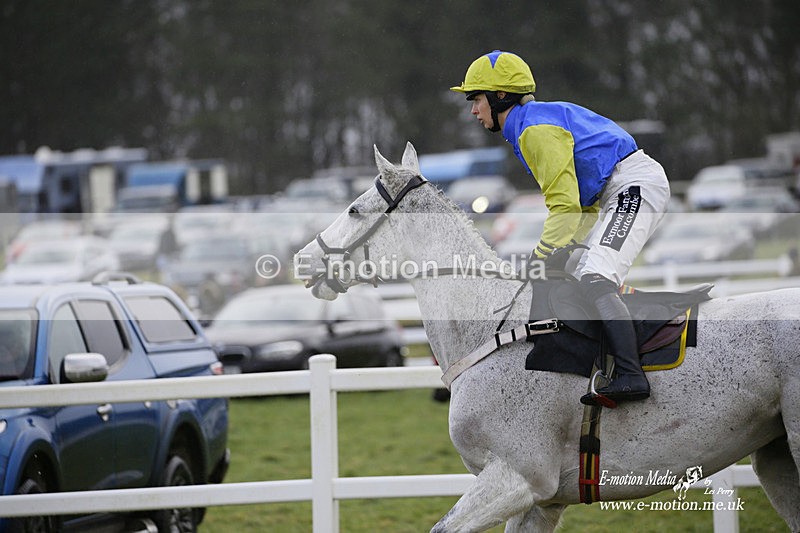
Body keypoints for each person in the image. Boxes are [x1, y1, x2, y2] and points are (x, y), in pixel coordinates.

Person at [451, 50, 671, 406]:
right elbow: (579, 206)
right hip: (616, 191)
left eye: (475, 99)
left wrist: (541, 257)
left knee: (596, 276)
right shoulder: (529, 125)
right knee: (578, 272)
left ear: (499, 96)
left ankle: (632, 375)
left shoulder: (534, 130)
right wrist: (557, 256)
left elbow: (564, 206)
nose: (473, 110)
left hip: (634, 186)